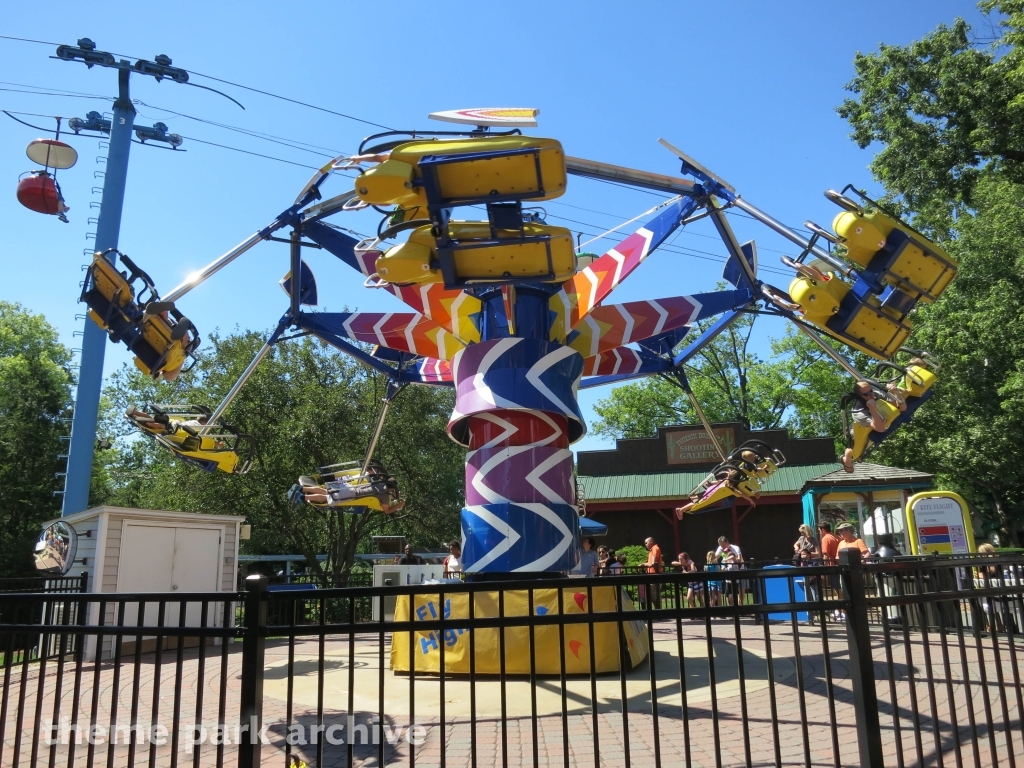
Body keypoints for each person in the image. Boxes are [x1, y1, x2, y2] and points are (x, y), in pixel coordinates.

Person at [840, 381, 907, 472]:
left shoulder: (875, 393)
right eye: (867, 394)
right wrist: (872, 409)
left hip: (876, 424)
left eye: (871, 391)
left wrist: (895, 392)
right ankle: (846, 460)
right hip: (857, 433)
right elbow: (880, 429)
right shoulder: (858, 412)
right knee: (853, 453)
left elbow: (902, 407)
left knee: (864, 449)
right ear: (860, 397)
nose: (871, 395)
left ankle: (857, 457)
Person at [714, 536, 744, 606]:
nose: (722, 547)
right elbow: (715, 558)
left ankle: (740, 605)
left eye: (723, 545)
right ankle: (730, 607)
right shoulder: (721, 549)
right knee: (728, 592)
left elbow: (739, 559)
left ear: (727, 542)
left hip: (739, 570)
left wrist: (729, 558)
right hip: (728, 570)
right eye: (721, 545)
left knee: (740, 589)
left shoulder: (736, 548)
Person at [642, 537, 663, 608]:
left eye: (646, 542)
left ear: (651, 542)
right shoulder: (651, 550)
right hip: (652, 575)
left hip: (655, 575)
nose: (645, 544)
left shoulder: (655, 548)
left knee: (654, 595)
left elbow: (653, 563)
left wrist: (644, 564)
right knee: (652, 594)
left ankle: (658, 611)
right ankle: (657, 612)